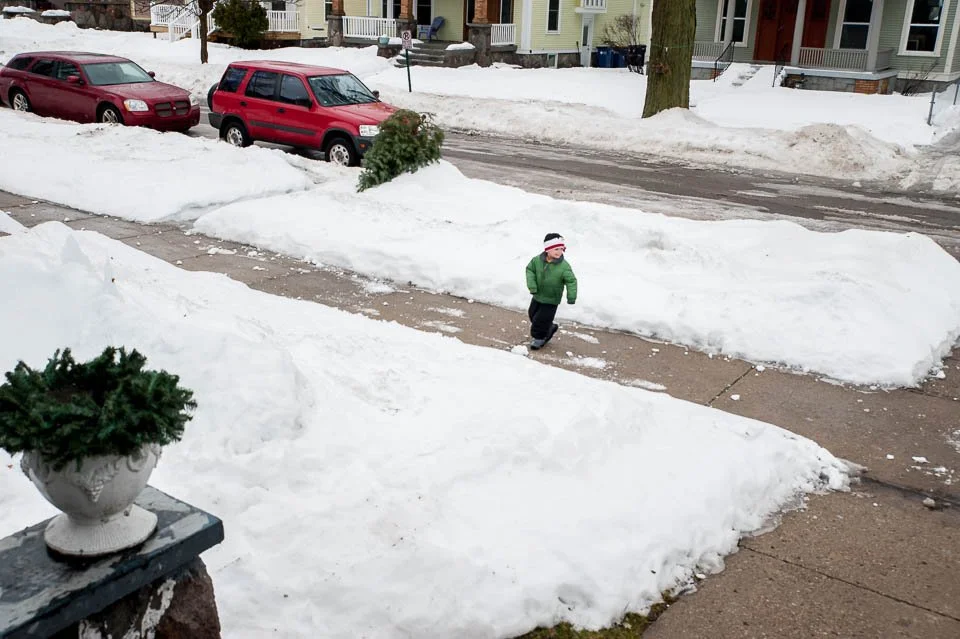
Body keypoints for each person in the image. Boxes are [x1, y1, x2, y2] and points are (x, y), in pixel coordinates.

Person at [525, 233, 577, 350]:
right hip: (537, 295)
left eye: (561, 249)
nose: (559, 252)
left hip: (551, 299)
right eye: (556, 249)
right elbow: (530, 270)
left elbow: (571, 281)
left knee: (540, 320)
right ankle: (550, 327)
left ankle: (539, 338)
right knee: (532, 315)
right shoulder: (537, 261)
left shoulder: (564, 266)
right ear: (547, 249)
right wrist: (532, 286)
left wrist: (571, 296)